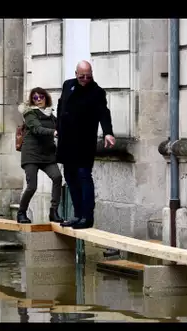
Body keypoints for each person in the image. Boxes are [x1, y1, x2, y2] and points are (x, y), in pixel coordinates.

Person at [56, 61, 115, 229]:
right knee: (70, 177)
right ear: (76, 73)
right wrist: (57, 127)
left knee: (83, 176)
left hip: (83, 141)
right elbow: (61, 105)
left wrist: (108, 132)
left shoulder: (96, 92)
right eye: (81, 76)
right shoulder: (68, 85)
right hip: (67, 140)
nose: (84, 79)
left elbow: (104, 113)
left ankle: (87, 217)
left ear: (92, 74)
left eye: (88, 76)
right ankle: (78, 214)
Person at [17, 87, 64, 224]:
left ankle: (53, 212)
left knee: (57, 177)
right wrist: (54, 133)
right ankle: (21, 213)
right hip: (31, 154)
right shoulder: (30, 113)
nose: (38, 101)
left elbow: (60, 125)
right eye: (35, 98)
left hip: (47, 154)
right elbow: (37, 129)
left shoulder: (50, 114)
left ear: (46, 98)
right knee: (32, 186)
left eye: (41, 97)